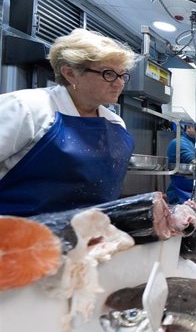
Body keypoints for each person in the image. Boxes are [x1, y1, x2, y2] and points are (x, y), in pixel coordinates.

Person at [0, 28, 139, 216]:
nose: (119, 83)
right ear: (70, 73)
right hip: (19, 235)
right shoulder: (27, 108)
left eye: (122, 75)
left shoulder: (115, 123)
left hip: (88, 236)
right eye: (108, 74)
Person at [166, 121, 196, 204]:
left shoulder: (195, 143)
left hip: (191, 192)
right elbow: (195, 162)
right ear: (188, 128)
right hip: (180, 194)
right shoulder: (179, 142)